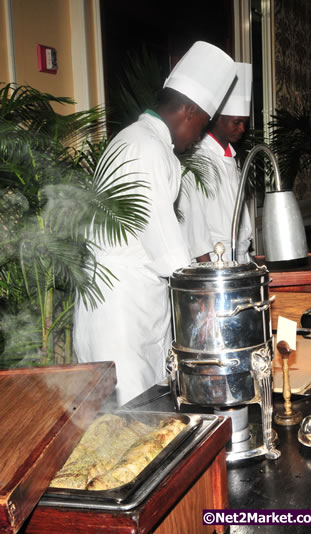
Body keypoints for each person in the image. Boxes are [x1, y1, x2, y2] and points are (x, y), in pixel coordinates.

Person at [74, 42, 237, 406]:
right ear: (190, 111)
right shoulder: (147, 149)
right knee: (131, 428)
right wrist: (212, 301)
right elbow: (169, 253)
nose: (198, 136)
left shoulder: (133, 138)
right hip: (122, 315)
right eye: (202, 125)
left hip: (131, 304)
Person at [180, 62, 254, 263]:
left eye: (244, 124)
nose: (241, 129)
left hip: (240, 256)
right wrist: (208, 273)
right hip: (214, 259)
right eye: (236, 122)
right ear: (217, 119)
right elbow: (193, 224)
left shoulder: (231, 157)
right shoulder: (197, 158)